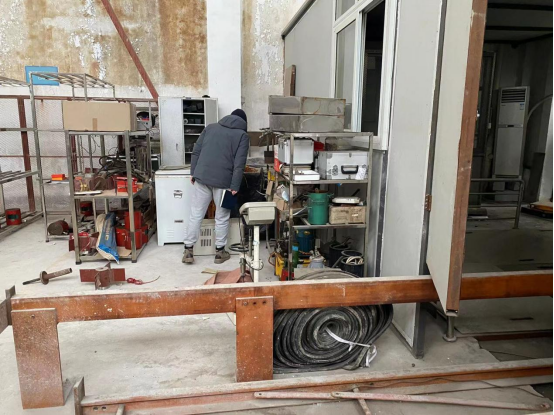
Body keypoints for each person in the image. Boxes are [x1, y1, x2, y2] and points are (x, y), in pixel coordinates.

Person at [183, 109, 250, 264]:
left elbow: (196, 152)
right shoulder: (242, 136)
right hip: (225, 183)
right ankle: (220, 252)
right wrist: (235, 186)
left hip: (202, 177)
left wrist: (193, 172)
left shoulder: (210, 127)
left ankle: (188, 250)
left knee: (196, 214)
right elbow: (239, 164)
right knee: (222, 217)